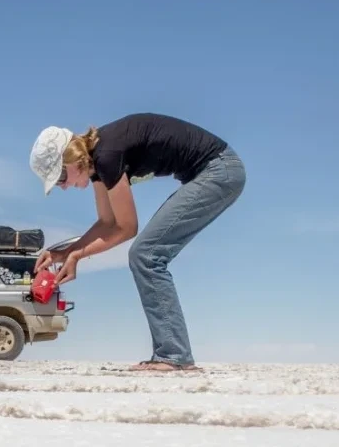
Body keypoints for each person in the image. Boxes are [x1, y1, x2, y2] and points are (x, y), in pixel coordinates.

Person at [29, 113, 246, 371]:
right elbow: (106, 223)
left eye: (60, 178)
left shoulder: (106, 156)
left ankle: (174, 355)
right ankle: (171, 354)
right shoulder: (98, 165)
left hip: (220, 170)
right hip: (215, 171)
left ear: (72, 160)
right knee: (145, 254)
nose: (63, 187)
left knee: (146, 254)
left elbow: (127, 227)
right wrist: (64, 253)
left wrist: (76, 256)